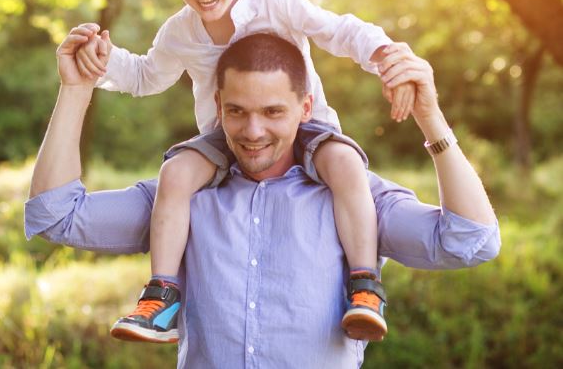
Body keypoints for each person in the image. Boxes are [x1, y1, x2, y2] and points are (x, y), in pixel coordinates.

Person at [26, 31, 499, 368]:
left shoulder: (353, 194)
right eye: (237, 112)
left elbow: (470, 242)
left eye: (273, 112)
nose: (253, 132)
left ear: (305, 107)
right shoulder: (183, 194)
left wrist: (430, 118)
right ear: (218, 105)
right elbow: (57, 217)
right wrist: (75, 89)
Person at [72, 0, 415, 342]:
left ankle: (366, 285)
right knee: (175, 172)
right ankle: (161, 296)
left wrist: (387, 57)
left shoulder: (278, 3)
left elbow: (340, 32)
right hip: (225, 136)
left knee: (347, 165)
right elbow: (144, 76)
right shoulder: (180, 31)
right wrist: (103, 58)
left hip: (303, 125)